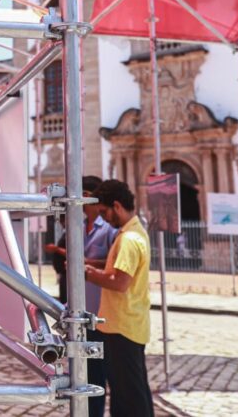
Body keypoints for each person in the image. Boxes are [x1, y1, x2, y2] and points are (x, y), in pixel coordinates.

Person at [45, 176, 117, 416]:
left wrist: (84, 263)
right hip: (78, 311)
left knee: (99, 374)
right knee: (81, 372)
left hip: (99, 314)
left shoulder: (109, 229)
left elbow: (114, 264)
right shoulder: (77, 227)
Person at [84, 179, 154, 417]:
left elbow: (120, 282)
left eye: (104, 212)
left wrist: (88, 274)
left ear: (116, 206)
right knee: (130, 393)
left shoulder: (129, 239)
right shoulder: (133, 233)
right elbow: (117, 270)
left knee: (129, 397)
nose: (104, 219)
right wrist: (93, 266)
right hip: (126, 324)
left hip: (123, 326)